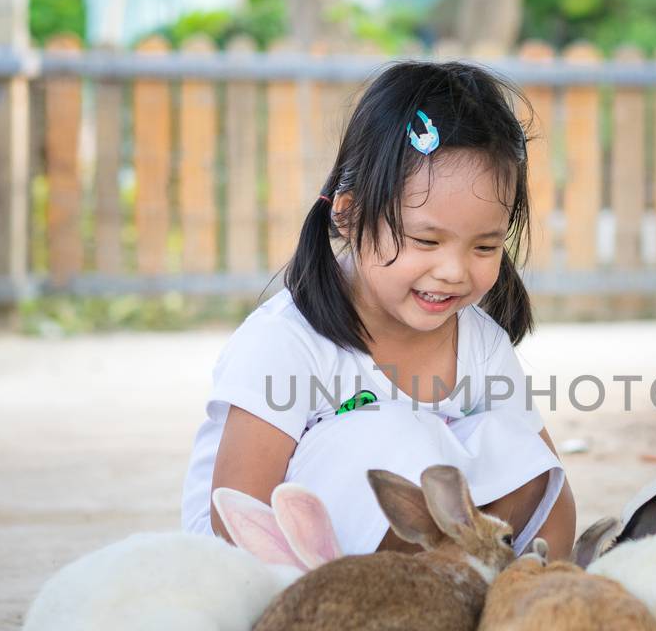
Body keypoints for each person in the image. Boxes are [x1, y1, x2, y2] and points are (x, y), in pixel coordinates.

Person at [180, 60, 576, 560]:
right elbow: (236, 516)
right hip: (275, 564)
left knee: (516, 441)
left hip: (428, 561)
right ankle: (399, 602)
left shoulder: (480, 343)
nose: (454, 270)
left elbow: (539, 477)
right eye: (425, 240)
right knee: (391, 429)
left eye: (483, 247)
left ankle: (511, 598)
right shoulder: (285, 342)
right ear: (348, 215)